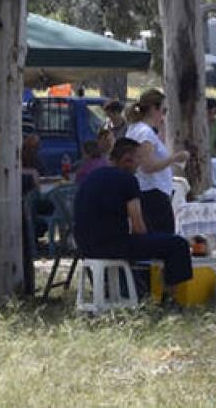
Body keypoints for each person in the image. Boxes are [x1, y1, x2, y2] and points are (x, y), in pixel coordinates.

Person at [73, 138, 193, 303]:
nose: (139, 165)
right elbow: (138, 227)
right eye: (138, 159)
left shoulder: (91, 177)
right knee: (177, 245)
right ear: (127, 160)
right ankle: (170, 299)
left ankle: (137, 291)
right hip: (114, 246)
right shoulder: (128, 180)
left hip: (84, 246)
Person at [125, 89, 189, 234]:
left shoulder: (137, 129)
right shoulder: (144, 133)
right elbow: (147, 166)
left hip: (149, 192)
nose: (163, 116)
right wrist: (174, 158)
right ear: (154, 108)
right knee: (163, 238)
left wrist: (161, 127)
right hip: (152, 194)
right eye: (163, 111)